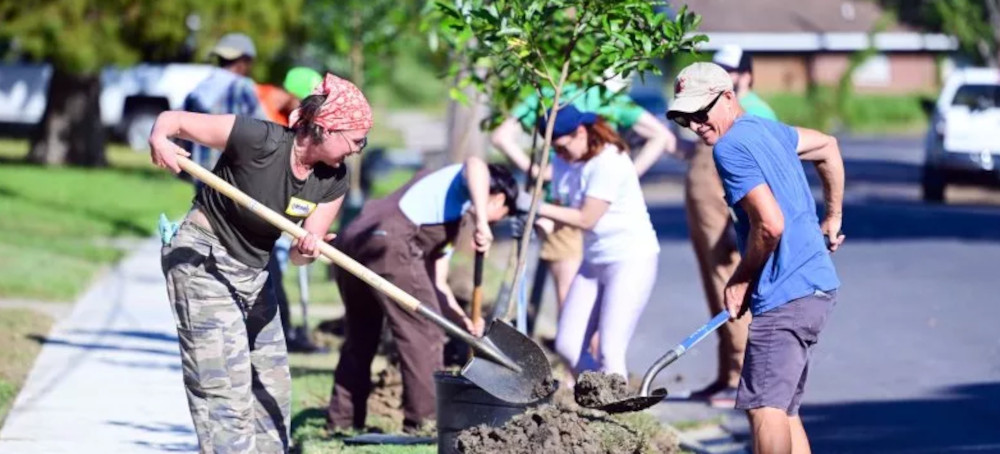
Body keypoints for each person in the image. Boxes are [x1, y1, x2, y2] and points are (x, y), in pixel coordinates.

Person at [153, 73, 372, 453]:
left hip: (255, 271)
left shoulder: (333, 178)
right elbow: (172, 121)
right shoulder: (259, 139)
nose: (358, 148)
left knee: (273, 386)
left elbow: (304, 254)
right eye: (355, 139)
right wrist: (160, 140)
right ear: (324, 128)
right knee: (225, 391)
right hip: (204, 260)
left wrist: (309, 247)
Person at [667, 62, 845, 454]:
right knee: (782, 411)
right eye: (685, 119)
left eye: (701, 113)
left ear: (728, 97)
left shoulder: (730, 148)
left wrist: (742, 278)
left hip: (787, 292)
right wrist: (832, 216)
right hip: (815, 289)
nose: (695, 125)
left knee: (764, 409)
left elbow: (770, 224)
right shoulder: (768, 129)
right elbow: (828, 146)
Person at [326, 157, 519, 432]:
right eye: (503, 215)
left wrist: (461, 319)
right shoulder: (460, 182)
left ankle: (341, 421)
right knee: (424, 332)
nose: (497, 222)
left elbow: (436, 282)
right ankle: (425, 423)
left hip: (357, 240)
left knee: (361, 335)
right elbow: (476, 163)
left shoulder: (448, 211)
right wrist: (483, 223)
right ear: (498, 199)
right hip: (389, 242)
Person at [491, 84, 677, 335]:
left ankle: (589, 372)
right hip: (561, 211)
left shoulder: (546, 93)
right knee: (580, 316)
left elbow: (500, 136)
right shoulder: (603, 96)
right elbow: (663, 136)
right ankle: (583, 369)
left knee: (576, 308)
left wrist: (536, 177)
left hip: (568, 210)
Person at [530, 104, 660, 381]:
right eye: (554, 148)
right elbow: (561, 206)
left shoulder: (608, 161)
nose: (559, 153)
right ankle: (599, 397)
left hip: (630, 259)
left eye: (563, 146)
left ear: (581, 132)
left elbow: (587, 218)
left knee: (610, 351)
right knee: (567, 345)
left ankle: (616, 415)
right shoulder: (562, 161)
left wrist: (536, 207)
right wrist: (541, 222)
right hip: (593, 261)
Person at [684, 45, 779, 407]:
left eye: (728, 71)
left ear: (745, 76)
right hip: (704, 221)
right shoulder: (711, 114)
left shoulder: (753, 112)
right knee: (714, 290)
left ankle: (741, 376)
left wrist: (737, 222)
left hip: (727, 221)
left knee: (732, 288)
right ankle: (725, 374)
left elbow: (762, 177)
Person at [182, 33, 267, 171]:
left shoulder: (201, 87)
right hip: (232, 170)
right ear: (243, 61)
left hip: (201, 169)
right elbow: (263, 128)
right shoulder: (242, 86)